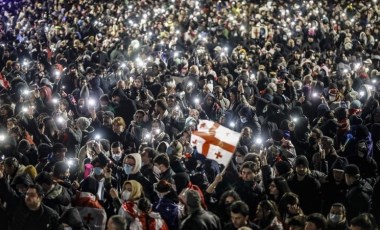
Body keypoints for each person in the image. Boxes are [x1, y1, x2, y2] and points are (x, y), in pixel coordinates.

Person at [0, 165, 64, 230]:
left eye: (32, 195)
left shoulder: (51, 216)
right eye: (27, 194)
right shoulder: (19, 204)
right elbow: (8, 193)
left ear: (40, 197)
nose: (27, 197)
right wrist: (1, 177)